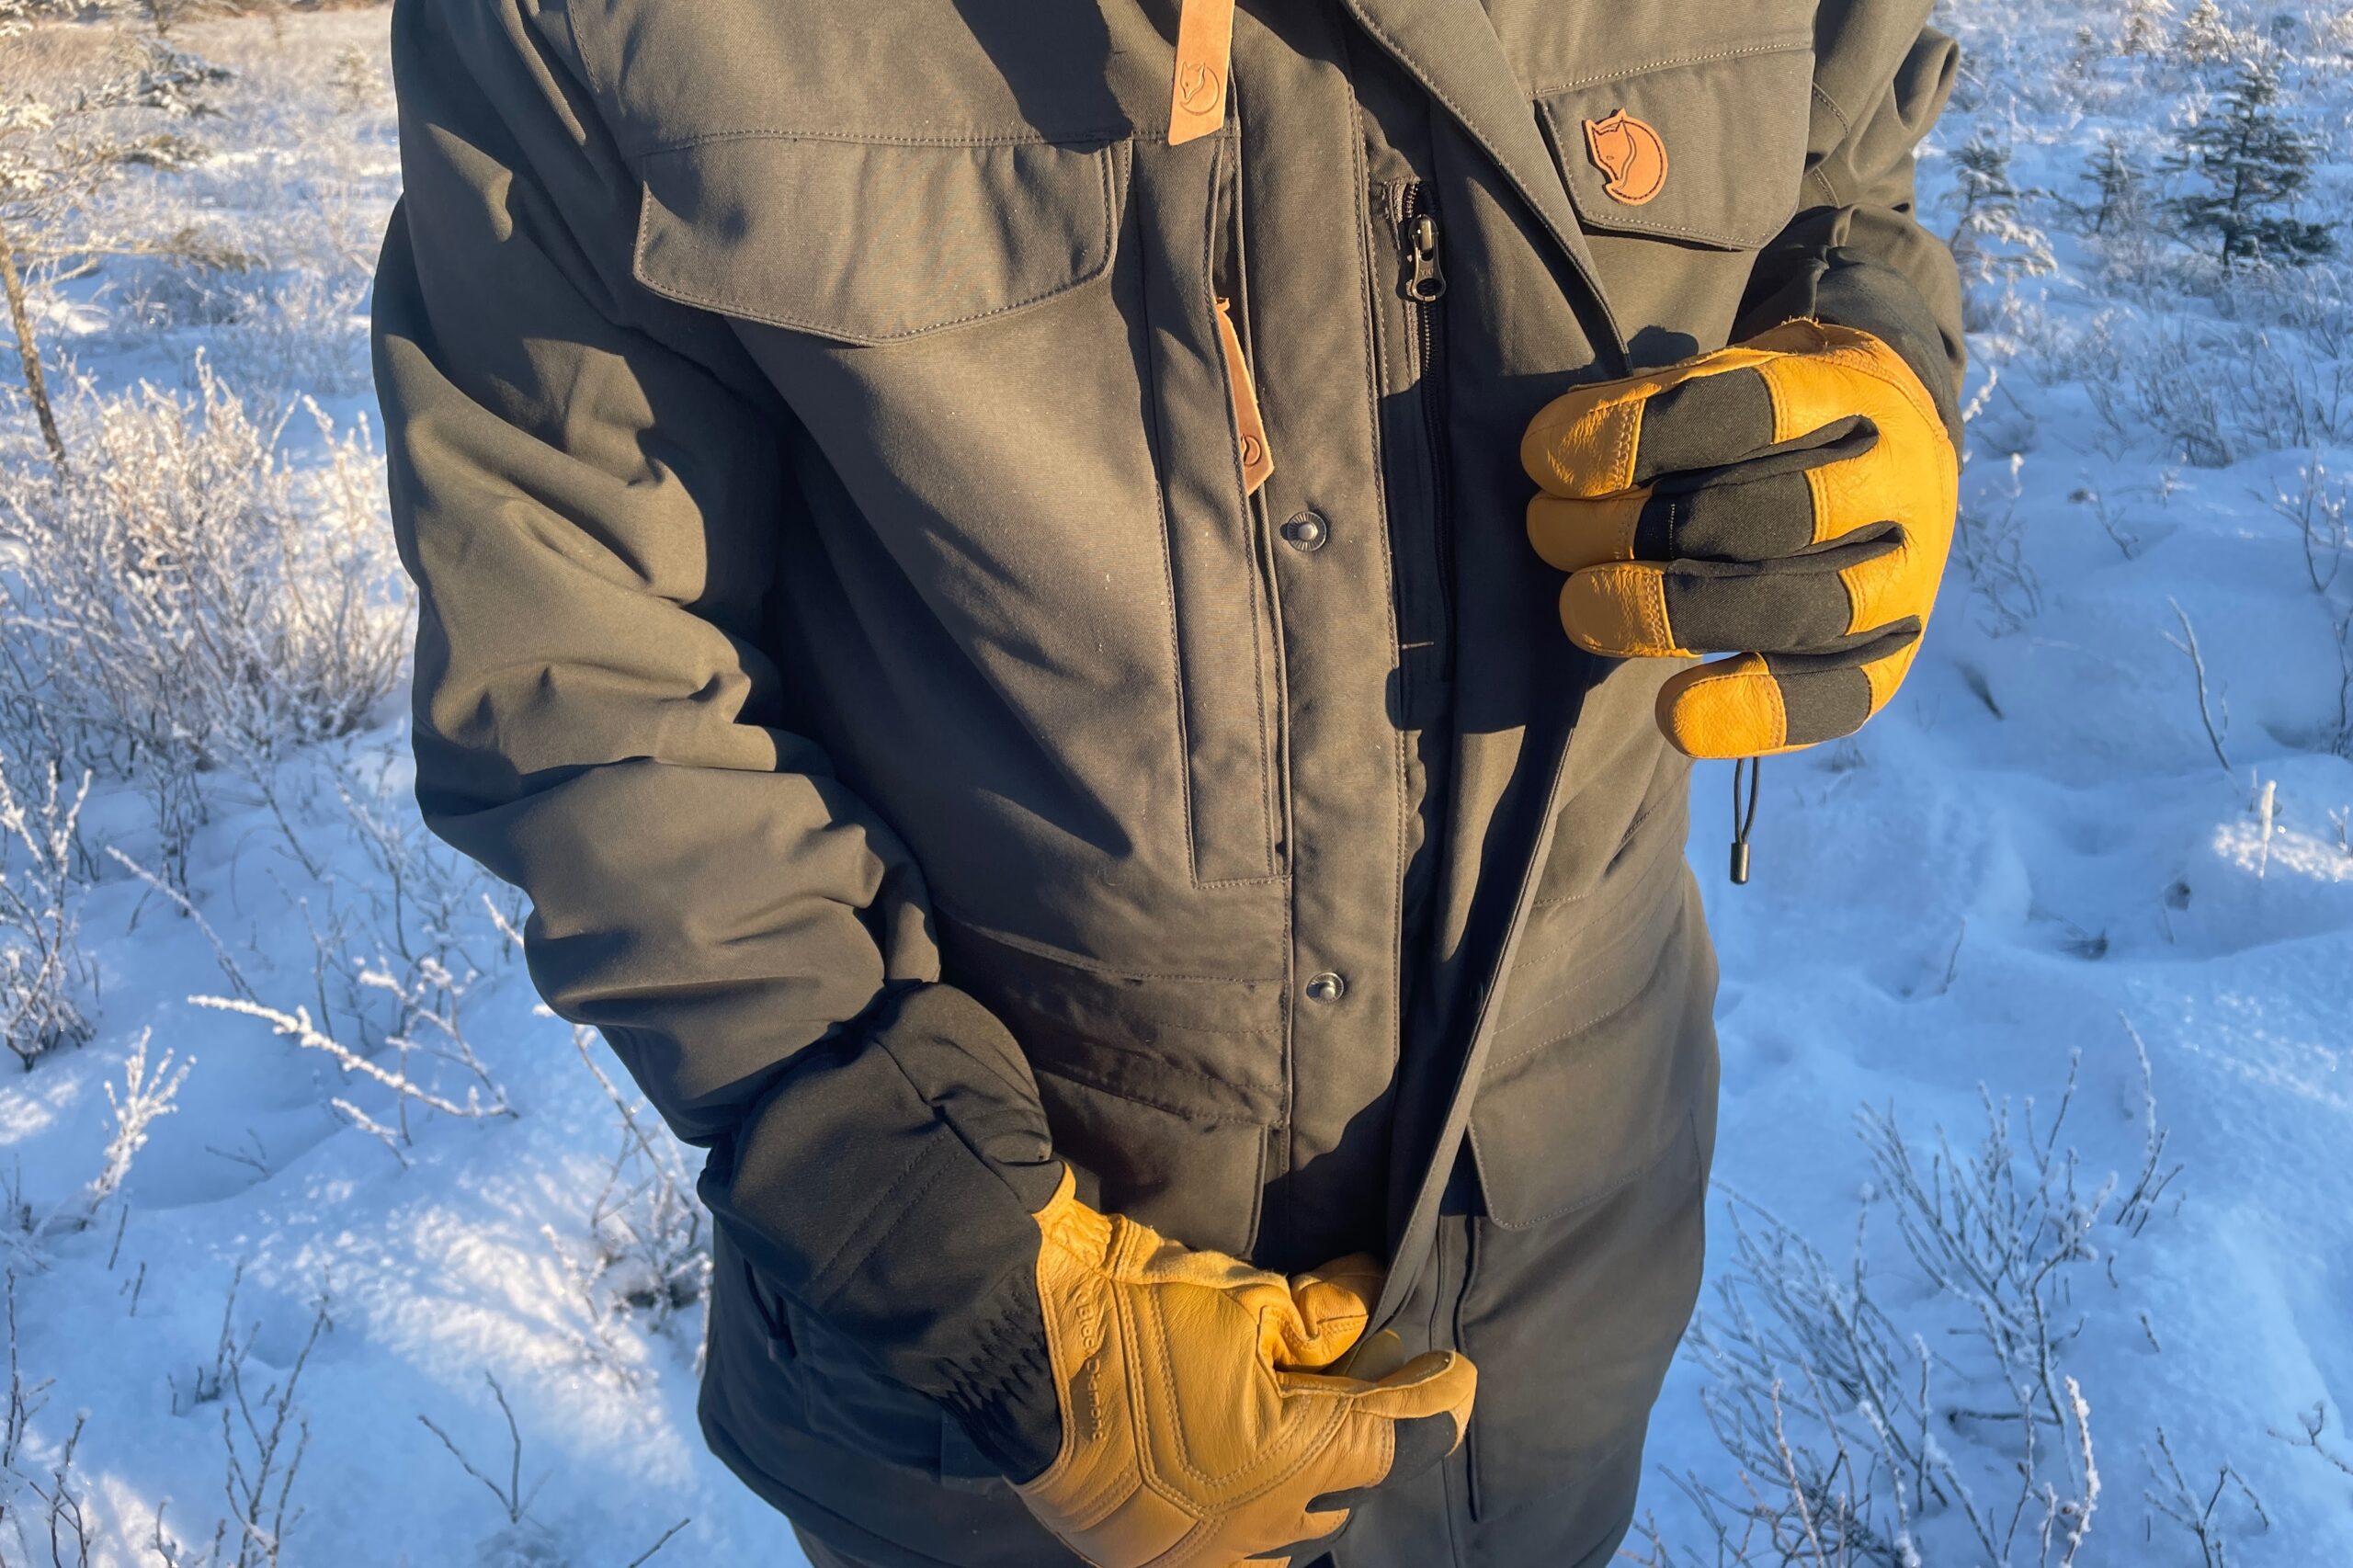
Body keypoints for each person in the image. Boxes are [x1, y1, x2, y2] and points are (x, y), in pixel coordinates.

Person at [371, 1, 1963, 1564]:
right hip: (1003, 1401)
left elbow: (1841, 155)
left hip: (1551, 1307)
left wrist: (1871, 349)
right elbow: (585, 643)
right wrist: (947, 1257)